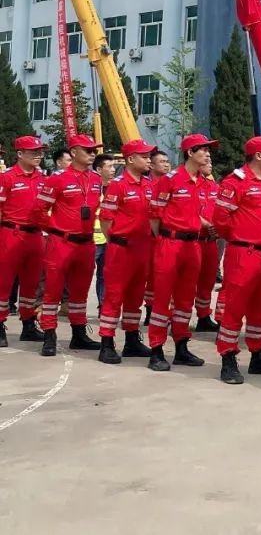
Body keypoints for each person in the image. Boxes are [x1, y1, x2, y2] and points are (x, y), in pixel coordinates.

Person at [211, 136, 261, 384]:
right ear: (258, 156)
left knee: (260, 308)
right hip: (244, 253)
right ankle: (228, 357)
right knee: (235, 307)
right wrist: (238, 237)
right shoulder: (236, 182)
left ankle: (258, 355)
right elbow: (221, 218)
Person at [147, 134, 217, 372]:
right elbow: (155, 216)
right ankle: (156, 350)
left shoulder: (202, 182)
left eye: (209, 151)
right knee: (162, 298)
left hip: (193, 245)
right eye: (204, 150)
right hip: (170, 244)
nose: (208, 154)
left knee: (186, 299)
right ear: (190, 153)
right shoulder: (171, 180)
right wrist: (165, 239)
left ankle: (181, 347)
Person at [32, 134, 104, 356]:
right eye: (88, 150)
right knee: (52, 291)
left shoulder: (96, 179)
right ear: (74, 152)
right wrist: (55, 228)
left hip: (86, 243)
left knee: (80, 293)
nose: (93, 154)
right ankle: (49, 334)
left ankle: (79, 334)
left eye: (94, 150)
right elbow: (39, 210)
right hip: (61, 242)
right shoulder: (57, 179)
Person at [96, 139, 156, 364]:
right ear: (131, 159)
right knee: (114, 296)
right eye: (144, 156)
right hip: (122, 249)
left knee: (135, 296)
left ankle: (132, 339)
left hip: (143, 248)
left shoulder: (149, 185)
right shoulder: (118, 185)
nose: (149, 159)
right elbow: (106, 220)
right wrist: (119, 240)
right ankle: (107, 343)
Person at [0, 135, 48, 346]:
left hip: (35, 236)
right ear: (20, 154)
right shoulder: (7, 178)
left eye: (40, 152)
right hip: (12, 233)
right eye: (33, 152)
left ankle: (28, 323)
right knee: (3, 282)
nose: (38, 155)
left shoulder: (43, 179)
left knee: (31, 283)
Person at [192, 161, 223, 334]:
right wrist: (203, 223)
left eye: (212, 160)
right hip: (193, 239)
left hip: (210, 241)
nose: (210, 163)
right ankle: (177, 320)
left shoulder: (212, 186)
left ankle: (203, 317)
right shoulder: (187, 185)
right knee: (187, 283)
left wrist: (217, 227)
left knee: (207, 281)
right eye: (206, 161)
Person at [142, 149, 172, 324]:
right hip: (151, 236)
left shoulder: (171, 183)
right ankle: (150, 310)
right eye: (162, 161)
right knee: (151, 277)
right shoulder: (146, 184)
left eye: (167, 161)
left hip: (168, 237)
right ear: (151, 165)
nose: (166, 164)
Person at [92, 153, 117, 310]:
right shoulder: (92, 186)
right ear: (99, 169)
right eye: (110, 166)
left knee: (105, 275)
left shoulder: (116, 186)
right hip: (91, 239)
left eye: (114, 166)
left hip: (108, 238)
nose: (113, 170)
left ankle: (103, 306)